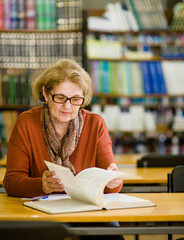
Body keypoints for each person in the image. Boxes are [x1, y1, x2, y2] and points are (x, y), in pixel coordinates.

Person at [3, 59, 124, 240]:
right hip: (40, 213)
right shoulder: (26, 123)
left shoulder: (95, 124)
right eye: (60, 98)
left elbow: (111, 182)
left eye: (76, 99)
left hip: (87, 213)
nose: (67, 107)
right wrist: (41, 185)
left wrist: (112, 181)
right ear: (45, 93)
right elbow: (11, 182)